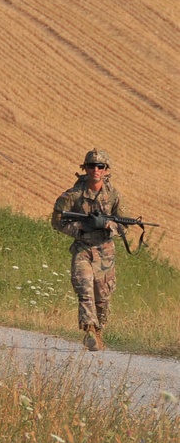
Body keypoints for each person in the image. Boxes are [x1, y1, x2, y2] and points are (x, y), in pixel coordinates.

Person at [51, 149, 128, 351]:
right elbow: (57, 221)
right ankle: (89, 331)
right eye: (91, 166)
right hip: (83, 248)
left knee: (102, 298)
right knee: (84, 288)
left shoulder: (113, 195)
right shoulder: (73, 195)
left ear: (106, 170)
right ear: (84, 168)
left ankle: (99, 330)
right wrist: (82, 227)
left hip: (105, 251)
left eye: (100, 166)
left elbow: (123, 226)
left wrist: (106, 225)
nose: (95, 170)